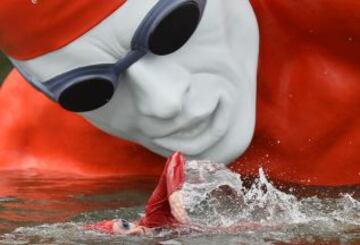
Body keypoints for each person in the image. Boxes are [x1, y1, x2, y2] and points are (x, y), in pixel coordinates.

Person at [0, 0, 358, 187]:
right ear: (41, 89)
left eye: (170, 29)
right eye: (88, 90)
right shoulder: (26, 151)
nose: (165, 103)